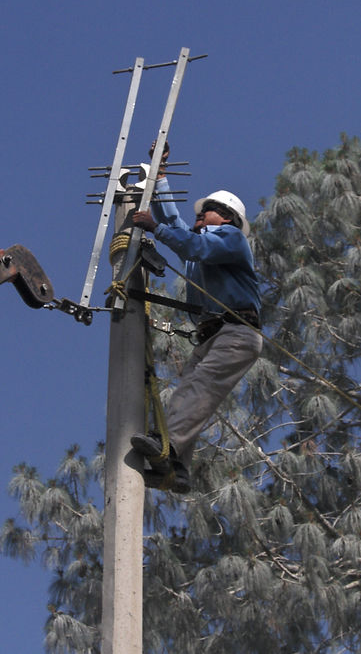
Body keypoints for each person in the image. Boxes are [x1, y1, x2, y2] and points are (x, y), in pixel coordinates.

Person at [129, 161, 263, 493]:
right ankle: (176, 469)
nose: (200, 216)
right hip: (214, 334)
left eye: (208, 212)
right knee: (188, 390)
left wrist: (155, 229)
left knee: (199, 387)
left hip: (237, 331)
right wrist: (160, 181)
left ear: (227, 218)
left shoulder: (230, 238)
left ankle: (166, 447)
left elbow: (194, 245)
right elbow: (175, 224)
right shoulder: (201, 241)